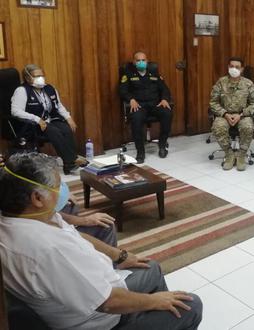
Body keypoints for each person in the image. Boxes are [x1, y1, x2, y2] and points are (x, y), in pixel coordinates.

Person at [0, 152, 203, 330]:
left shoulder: (24, 217)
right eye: (56, 185)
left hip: (102, 289)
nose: (62, 189)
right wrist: (154, 302)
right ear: (37, 198)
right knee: (191, 305)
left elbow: (73, 233)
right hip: (102, 320)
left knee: (151, 267)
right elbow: (108, 302)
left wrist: (120, 255)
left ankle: (149, 318)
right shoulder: (49, 249)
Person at [11, 64, 85, 175]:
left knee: (66, 128)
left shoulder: (49, 88)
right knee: (54, 131)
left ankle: (69, 163)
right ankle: (72, 161)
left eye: (42, 75)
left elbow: (58, 105)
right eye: (36, 76)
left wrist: (68, 117)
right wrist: (37, 119)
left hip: (50, 120)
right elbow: (16, 111)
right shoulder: (22, 91)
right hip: (33, 124)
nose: (40, 78)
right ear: (27, 78)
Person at [119, 51, 173, 164]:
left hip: (154, 104)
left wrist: (164, 99)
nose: (141, 62)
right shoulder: (129, 74)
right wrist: (131, 99)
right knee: (136, 118)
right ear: (134, 62)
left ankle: (162, 145)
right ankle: (140, 152)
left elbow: (164, 89)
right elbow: (122, 90)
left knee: (167, 113)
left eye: (143, 60)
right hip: (139, 106)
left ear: (147, 62)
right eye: (138, 60)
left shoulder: (154, 73)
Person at [210, 57, 254, 171]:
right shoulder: (221, 82)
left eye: (237, 67)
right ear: (228, 67)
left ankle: (241, 155)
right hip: (224, 115)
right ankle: (229, 154)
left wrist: (241, 115)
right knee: (218, 127)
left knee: (248, 127)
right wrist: (225, 114)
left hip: (242, 115)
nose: (234, 69)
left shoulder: (248, 83)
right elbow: (213, 102)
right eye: (231, 66)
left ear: (241, 69)